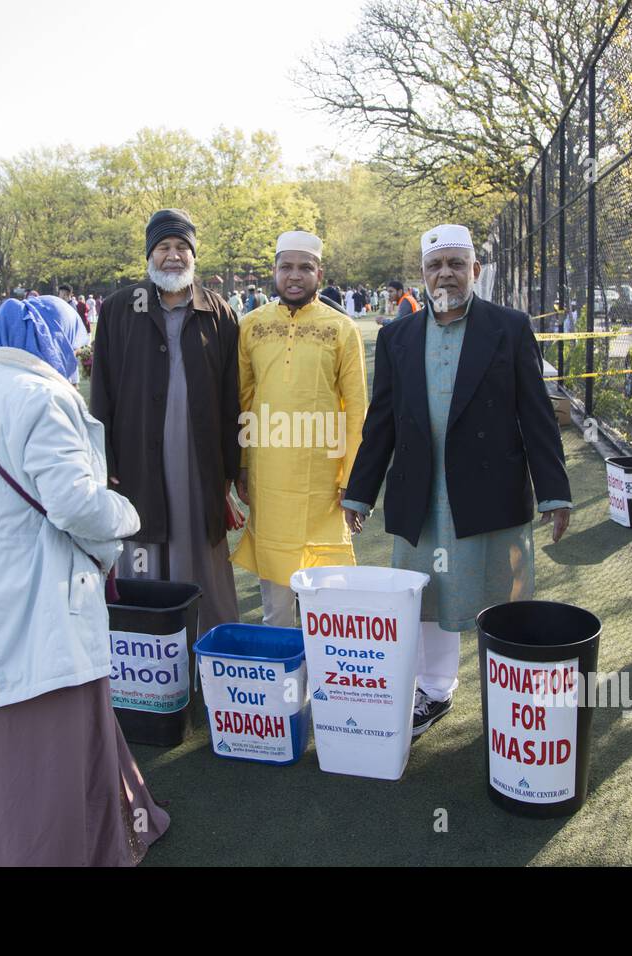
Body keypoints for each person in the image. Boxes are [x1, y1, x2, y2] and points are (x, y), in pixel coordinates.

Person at [0, 294, 169, 867]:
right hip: (33, 593)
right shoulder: (46, 397)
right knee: (48, 730)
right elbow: (75, 504)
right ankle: (62, 847)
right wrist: (127, 516)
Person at [343, 224, 573, 737]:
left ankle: (512, 697)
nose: (443, 272)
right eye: (434, 265)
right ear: (422, 275)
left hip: (491, 490)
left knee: (503, 597)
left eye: (454, 263)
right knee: (427, 599)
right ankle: (436, 691)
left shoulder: (508, 327)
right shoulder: (397, 335)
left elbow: (536, 414)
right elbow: (381, 421)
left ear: (475, 270)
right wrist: (359, 492)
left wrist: (555, 492)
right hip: (422, 493)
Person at [91, 209, 241, 635]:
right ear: (149, 255)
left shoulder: (219, 313)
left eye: (181, 247)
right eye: (163, 248)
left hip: (200, 460)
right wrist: (105, 458)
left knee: (200, 550)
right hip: (138, 455)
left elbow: (233, 396)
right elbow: (101, 390)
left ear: (193, 255)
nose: (173, 256)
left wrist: (233, 468)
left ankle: (210, 646)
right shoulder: (120, 309)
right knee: (142, 548)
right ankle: (148, 648)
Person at [231, 230, 368, 626]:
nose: (295, 275)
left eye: (304, 267)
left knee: (325, 597)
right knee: (276, 604)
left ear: (318, 273)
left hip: (324, 482)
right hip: (268, 477)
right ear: (273, 271)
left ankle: (323, 679)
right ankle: (285, 682)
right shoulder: (251, 326)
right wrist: (241, 465)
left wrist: (352, 481)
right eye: (286, 267)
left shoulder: (342, 329)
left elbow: (357, 409)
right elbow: (243, 400)